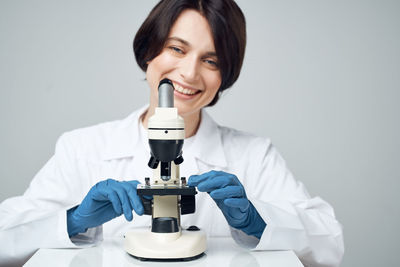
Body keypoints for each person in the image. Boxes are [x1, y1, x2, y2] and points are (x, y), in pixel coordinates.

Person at [0, 0, 344, 266]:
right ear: (149, 51)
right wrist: (74, 220)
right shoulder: (82, 147)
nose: (190, 73)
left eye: (211, 61)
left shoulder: (253, 155)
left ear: (225, 74)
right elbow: (5, 239)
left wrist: (257, 222)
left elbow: (330, 243)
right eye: (177, 49)